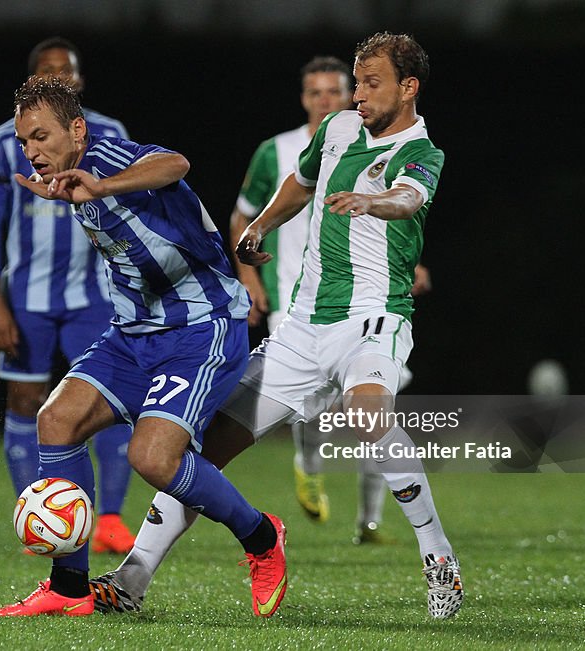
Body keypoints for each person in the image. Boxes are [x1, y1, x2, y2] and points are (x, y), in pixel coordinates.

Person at [90, 32, 464, 620]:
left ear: (408, 86)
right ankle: (131, 580)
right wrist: (261, 226)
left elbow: (408, 199)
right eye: (357, 83)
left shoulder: (423, 150)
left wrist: (376, 202)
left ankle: (437, 555)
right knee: (203, 451)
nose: (358, 95)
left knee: (369, 416)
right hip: (301, 326)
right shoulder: (338, 130)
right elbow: (301, 182)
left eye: (372, 84)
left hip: (373, 317)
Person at [0, 77, 287, 618]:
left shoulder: (106, 156)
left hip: (202, 328)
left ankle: (262, 537)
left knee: (152, 457)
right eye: (24, 141)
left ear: (76, 130)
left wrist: (100, 187)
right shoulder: (68, 179)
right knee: (56, 421)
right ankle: (69, 587)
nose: (32, 151)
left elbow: (176, 164)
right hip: (132, 333)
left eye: (41, 136)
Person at [229, 55, 424, 544]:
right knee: (309, 410)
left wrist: (406, 259)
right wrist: (250, 277)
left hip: (365, 307)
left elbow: (403, 203)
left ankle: (370, 521)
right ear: (304, 98)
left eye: (338, 91)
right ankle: (308, 464)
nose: (331, 100)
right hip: (295, 301)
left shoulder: (380, 140)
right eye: (317, 93)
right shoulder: (277, 150)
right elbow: (246, 213)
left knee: (372, 413)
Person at [0, 37, 136, 553]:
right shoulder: (2, 142)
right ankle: (36, 517)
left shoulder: (109, 134)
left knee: (108, 400)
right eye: (47, 73)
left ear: (80, 83)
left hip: (96, 294)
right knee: (24, 397)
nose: (58, 79)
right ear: (30, 85)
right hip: (27, 297)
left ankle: (109, 518)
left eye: (65, 72)